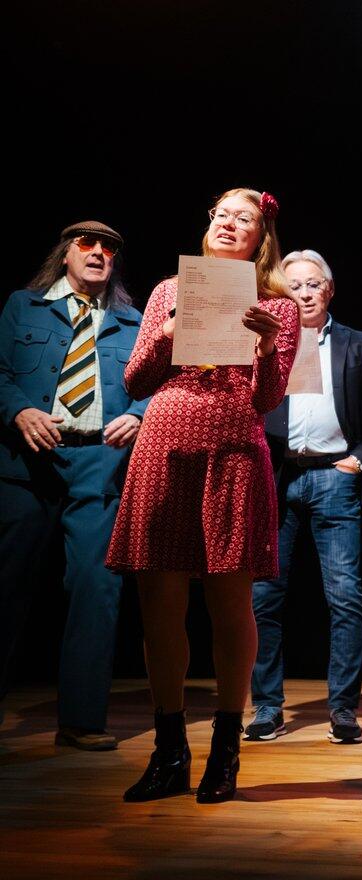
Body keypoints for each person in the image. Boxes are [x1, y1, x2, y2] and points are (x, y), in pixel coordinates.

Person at [109, 189, 299, 804]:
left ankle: (225, 751)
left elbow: (267, 399)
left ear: (261, 237)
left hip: (233, 451)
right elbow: (135, 380)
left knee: (230, 604)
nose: (228, 223)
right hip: (165, 445)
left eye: (244, 218)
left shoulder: (279, 305)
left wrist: (266, 346)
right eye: (221, 214)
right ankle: (169, 752)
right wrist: (167, 331)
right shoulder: (169, 290)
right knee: (159, 606)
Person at [0, 221, 146, 750]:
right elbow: (1, 373)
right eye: (88, 244)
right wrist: (18, 410)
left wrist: (140, 413)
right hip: (28, 463)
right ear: (66, 254)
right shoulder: (24, 307)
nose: (99, 252)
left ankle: (82, 720)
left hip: (98, 462)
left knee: (96, 587)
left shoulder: (133, 321)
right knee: (7, 583)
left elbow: (159, 380)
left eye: (109, 247)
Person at [247, 249, 362, 745]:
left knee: (345, 596)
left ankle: (343, 710)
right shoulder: (266, 344)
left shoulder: (360, 344)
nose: (305, 294)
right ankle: (267, 707)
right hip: (278, 475)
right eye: (295, 286)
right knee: (263, 596)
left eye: (313, 284)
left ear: (329, 290)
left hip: (335, 476)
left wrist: (359, 460)